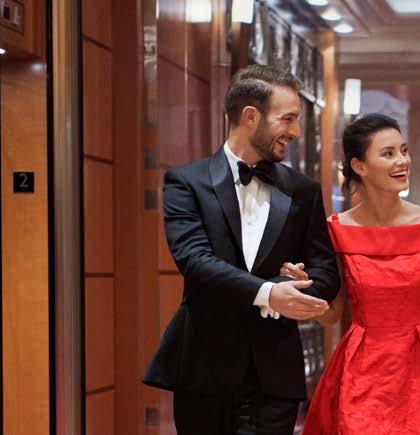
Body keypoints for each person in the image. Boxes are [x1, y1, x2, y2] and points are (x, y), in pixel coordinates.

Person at [143, 64, 341, 434]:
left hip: (274, 374)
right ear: (251, 117)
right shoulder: (186, 182)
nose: (296, 132)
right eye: (288, 119)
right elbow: (195, 262)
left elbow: (327, 272)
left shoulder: (304, 191)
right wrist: (270, 293)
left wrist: (299, 286)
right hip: (203, 369)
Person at [299, 113, 420, 435]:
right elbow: (333, 314)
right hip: (361, 367)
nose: (402, 161)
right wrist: (305, 294)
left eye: (404, 151)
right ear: (359, 166)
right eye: (388, 154)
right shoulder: (336, 230)